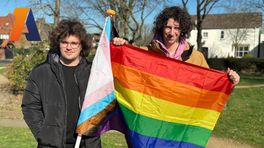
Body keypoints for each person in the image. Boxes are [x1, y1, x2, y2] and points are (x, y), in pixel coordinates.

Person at [22, 19, 101, 148]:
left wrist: (119, 47)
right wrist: (44, 135)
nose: (69, 47)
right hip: (52, 145)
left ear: (82, 45)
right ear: (58, 43)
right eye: (64, 42)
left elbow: (116, 82)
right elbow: (30, 107)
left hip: (87, 144)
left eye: (74, 43)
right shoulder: (41, 72)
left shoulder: (95, 73)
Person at [113, 6, 240, 84]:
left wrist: (229, 81)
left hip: (179, 118)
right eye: (168, 27)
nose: (172, 33)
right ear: (161, 27)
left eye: (177, 28)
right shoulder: (145, 52)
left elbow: (209, 84)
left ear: (182, 29)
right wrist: (121, 46)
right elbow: (126, 65)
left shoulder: (196, 57)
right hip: (151, 116)